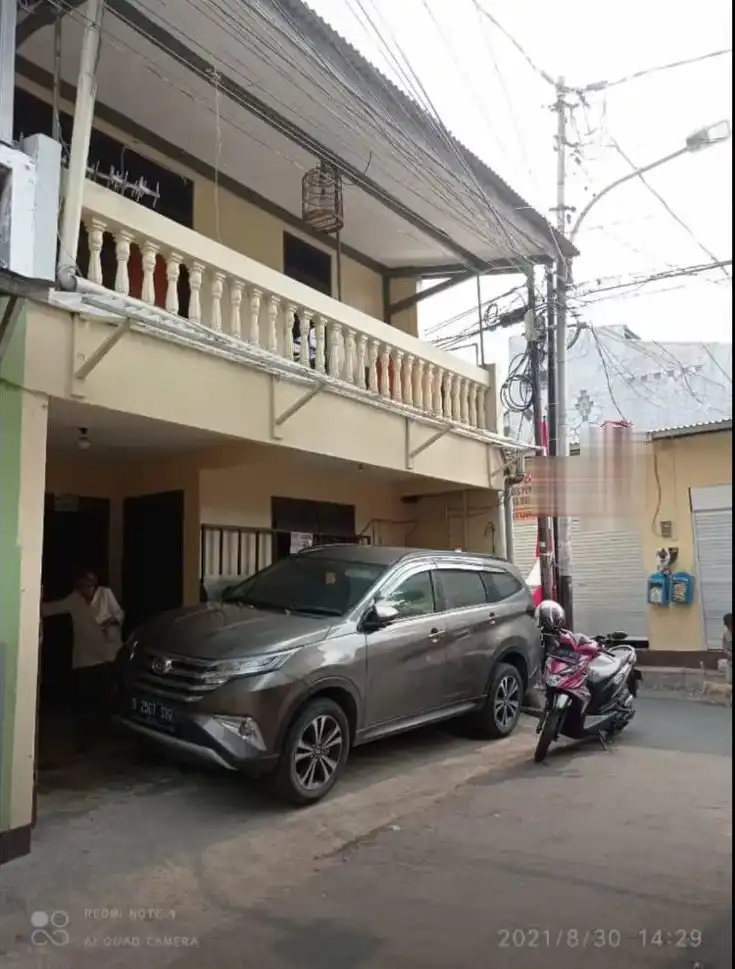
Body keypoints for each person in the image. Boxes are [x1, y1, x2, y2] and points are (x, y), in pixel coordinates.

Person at [41, 570, 125, 752]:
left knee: (106, 696)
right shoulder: (75, 599)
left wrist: (112, 621)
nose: (88, 588)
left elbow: (119, 614)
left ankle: (107, 735)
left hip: (108, 654)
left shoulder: (105, 594)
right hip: (85, 657)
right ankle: (86, 738)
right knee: (86, 697)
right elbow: (53, 608)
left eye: (91, 584)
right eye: (84, 585)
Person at [723, 614, 733, 685]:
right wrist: (728, 652)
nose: (729, 628)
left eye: (730, 625)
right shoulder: (725, 634)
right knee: (729, 680)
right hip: (730, 661)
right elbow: (724, 647)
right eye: (727, 626)